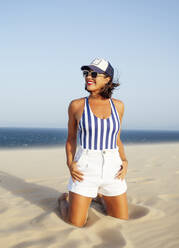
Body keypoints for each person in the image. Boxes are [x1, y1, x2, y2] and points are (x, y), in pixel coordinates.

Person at [58, 58, 129, 227]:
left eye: (94, 73)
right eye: (86, 73)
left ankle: (100, 197)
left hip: (113, 169)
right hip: (85, 168)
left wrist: (124, 160)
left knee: (122, 220)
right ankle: (63, 201)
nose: (89, 77)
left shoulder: (118, 106)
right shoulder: (76, 105)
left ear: (107, 79)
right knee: (75, 223)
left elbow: (116, 138)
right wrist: (70, 163)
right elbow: (71, 138)